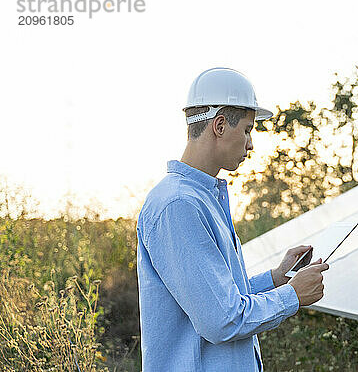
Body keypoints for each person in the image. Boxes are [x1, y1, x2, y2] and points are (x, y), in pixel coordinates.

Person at [136, 67, 329, 371]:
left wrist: (276, 279)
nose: (251, 144)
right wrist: (291, 295)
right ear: (221, 125)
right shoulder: (178, 205)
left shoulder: (201, 198)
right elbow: (222, 321)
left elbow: (218, 298)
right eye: (248, 130)